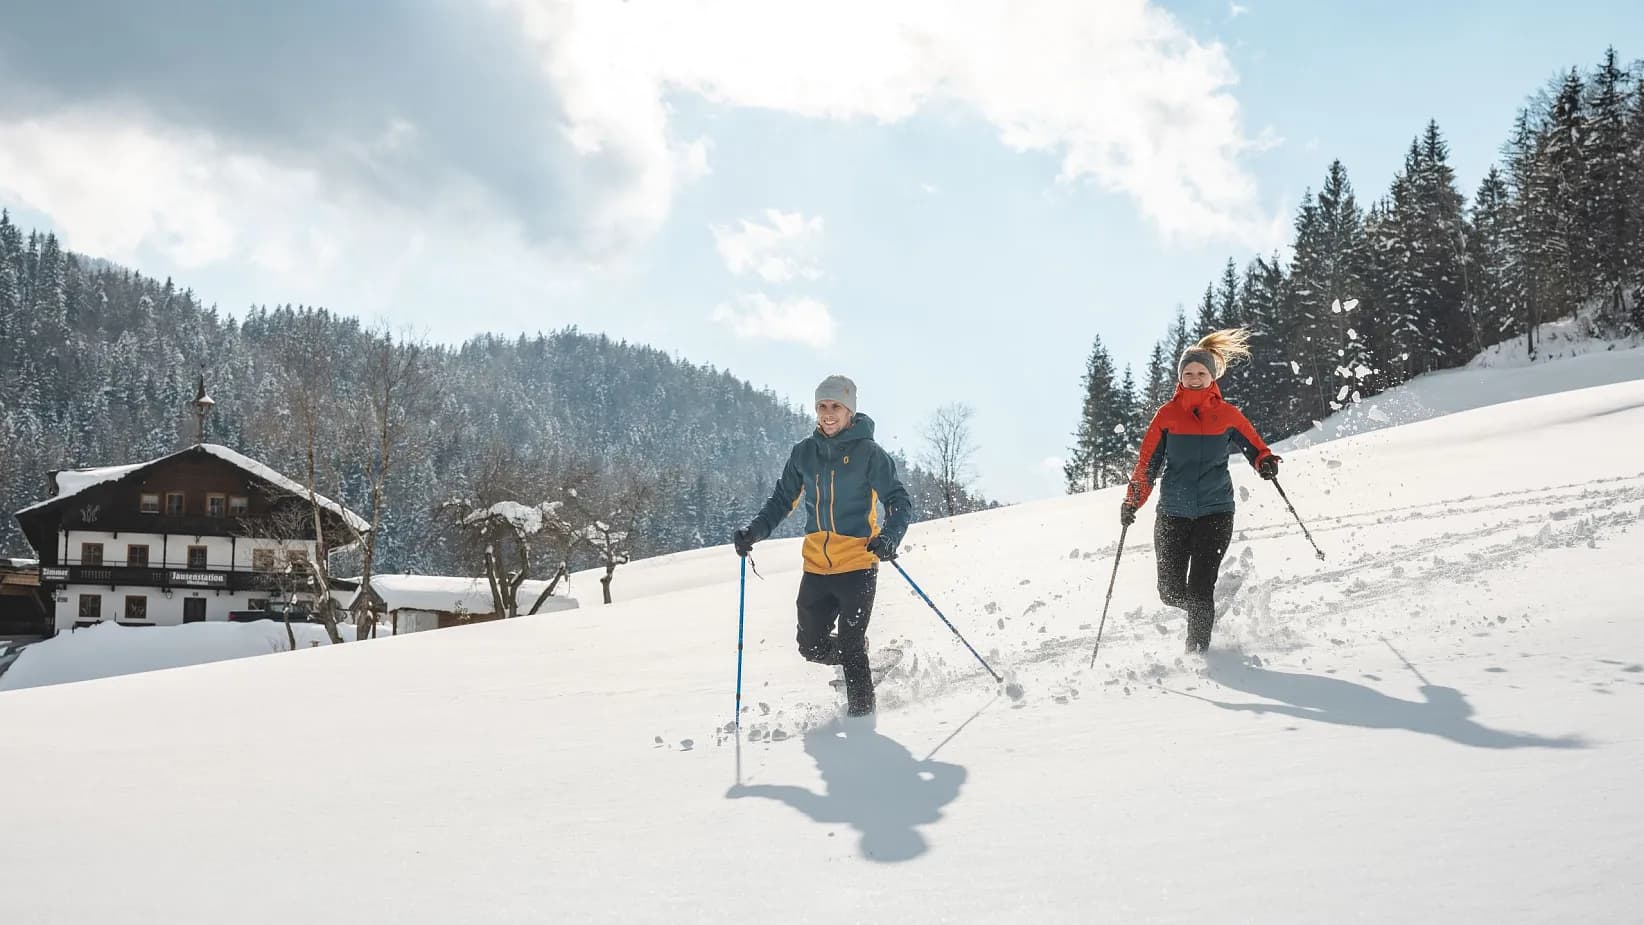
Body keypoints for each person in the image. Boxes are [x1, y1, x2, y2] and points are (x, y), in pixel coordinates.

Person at [734, 375, 914, 716]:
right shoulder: (804, 453)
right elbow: (781, 500)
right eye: (822, 406)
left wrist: (890, 536)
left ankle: (862, 726)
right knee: (812, 647)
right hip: (816, 566)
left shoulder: (869, 454)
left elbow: (898, 500)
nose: (828, 414)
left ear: (850, 412)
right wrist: (754, 532)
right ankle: (862, 662)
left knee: (849, 645)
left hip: (858, 564)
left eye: (836, 407)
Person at [1120, 329, 1279, 653]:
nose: (1194, 378)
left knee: (1199, 589)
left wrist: (1265, 463)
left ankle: (1198, 656)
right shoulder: (1166, 416)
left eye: (1201, 373)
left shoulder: (1227, 414)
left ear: (1212, 376)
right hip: (1172, 514)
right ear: (1180, 377)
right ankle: (1203, 611)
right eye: (1188, 373)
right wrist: (1132, 501)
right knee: (1169, 591)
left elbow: (1256, 448)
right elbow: (1147, 466)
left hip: (1215, 512)